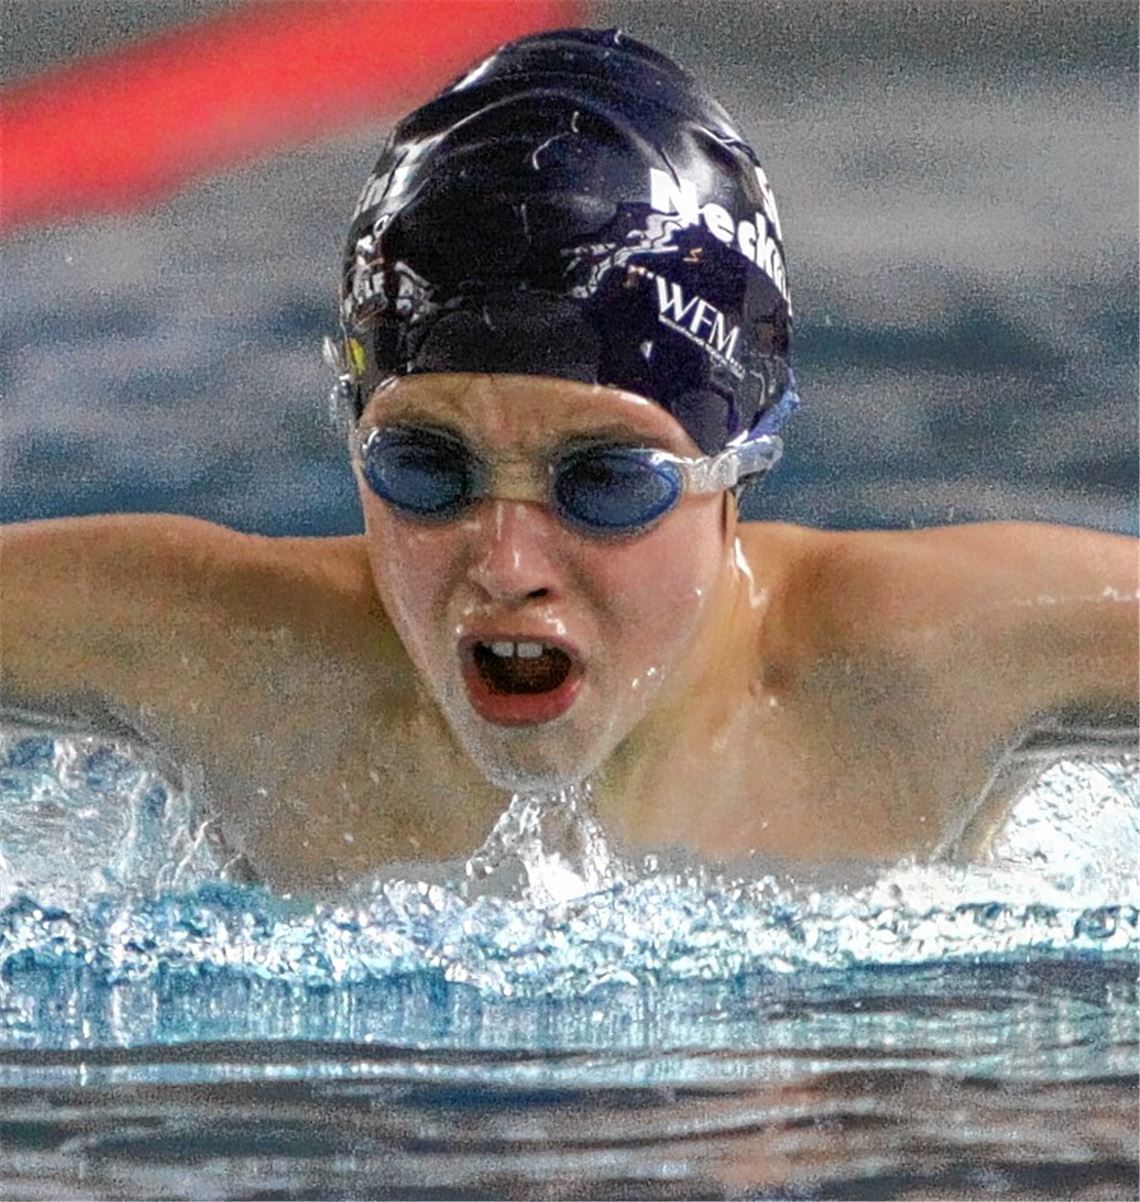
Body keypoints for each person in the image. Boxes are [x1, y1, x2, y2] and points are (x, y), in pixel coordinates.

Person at [1, 29, 1135, 893]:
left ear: (738, 467)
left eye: (604, 482)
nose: (505, 561)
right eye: (427, 468)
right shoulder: (238, 660)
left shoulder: (917, 669)